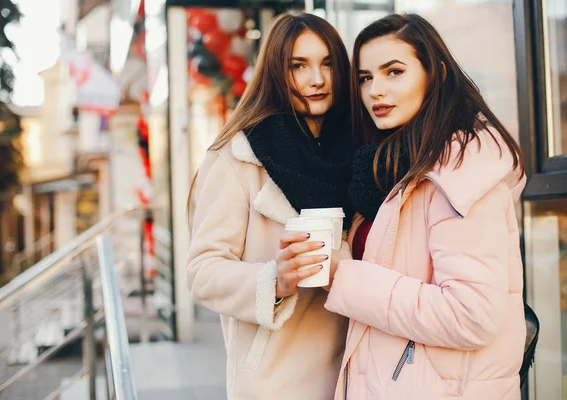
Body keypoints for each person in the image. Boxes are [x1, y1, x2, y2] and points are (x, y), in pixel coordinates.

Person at [325, 13, 527, 399]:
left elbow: (470, 316)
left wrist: (344, 277)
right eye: (365, 77)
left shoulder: (461, 168)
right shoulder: (389, 170)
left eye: (394, 71)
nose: (375, 91)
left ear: (436, 74)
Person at [187, 11, 354, 399]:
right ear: (277, 73)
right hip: (275, 381)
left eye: (328, 64)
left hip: (357, 374)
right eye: (299, 66)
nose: (318, 79)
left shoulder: (361, 154)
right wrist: (275, 280)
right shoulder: (240, 156)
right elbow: (202, 271)